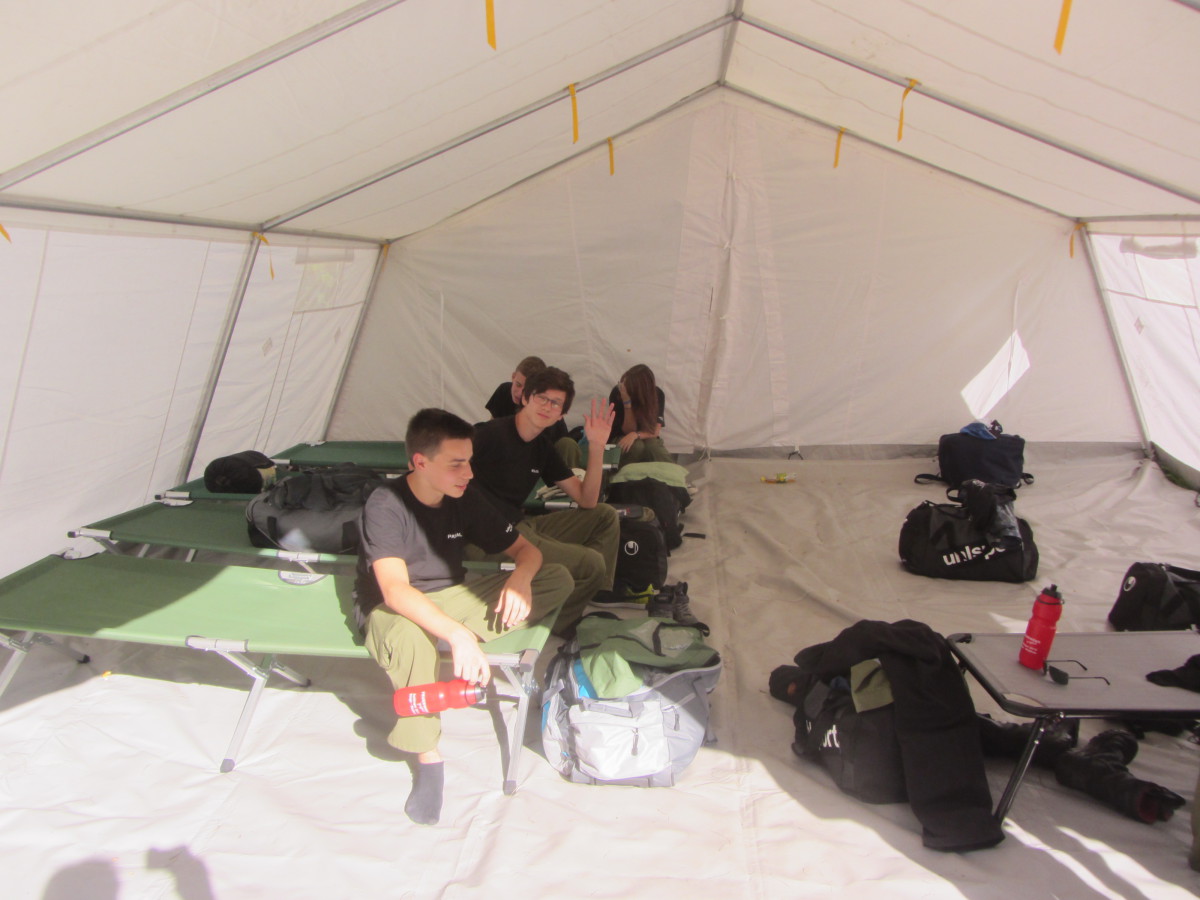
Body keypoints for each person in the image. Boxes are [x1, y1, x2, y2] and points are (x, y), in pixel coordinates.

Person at [354, 408, 572, 826]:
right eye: (456, 463)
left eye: (469, 461)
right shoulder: (386, 504)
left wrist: (521, 578)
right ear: (420, 462)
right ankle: (428, 758)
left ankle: (444, 643)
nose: (469, 473)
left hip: (450, 599)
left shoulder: (463, 495)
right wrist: (458, 635)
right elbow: (395, 591)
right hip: (392, 609)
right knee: (410, 634)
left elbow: (527, 551)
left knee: (556, 577)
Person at [469, 366, 619, 635]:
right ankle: (557, 622)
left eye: (556, 403)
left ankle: (582, 594)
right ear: (526, 398)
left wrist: (597, 447)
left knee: (605, 516)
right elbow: (441, 468)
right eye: (542, 398)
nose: (548, 406)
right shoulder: (489, 434)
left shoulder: (542, 448)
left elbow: (587, 500)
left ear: (561, 415)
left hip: (521, 525)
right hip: (489, 538)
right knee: (592, 564)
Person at [608, 363, 672, 467]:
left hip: (645, 435)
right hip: (620, 436)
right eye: (622, 383)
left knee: (654, 447)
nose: (623, 387)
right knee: (637, 446)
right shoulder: (618, 393)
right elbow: (628, 431)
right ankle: (623, 474)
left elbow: (655, 432)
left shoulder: (657, 394)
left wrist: (636, 435)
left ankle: (672, 474)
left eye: (627, 385)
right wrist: (627, 403)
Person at [484, 356, 545, 420]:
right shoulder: (504, 390)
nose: (520, 394)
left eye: (527, 390)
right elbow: (492, 423)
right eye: (518, 385)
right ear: (513, 377)